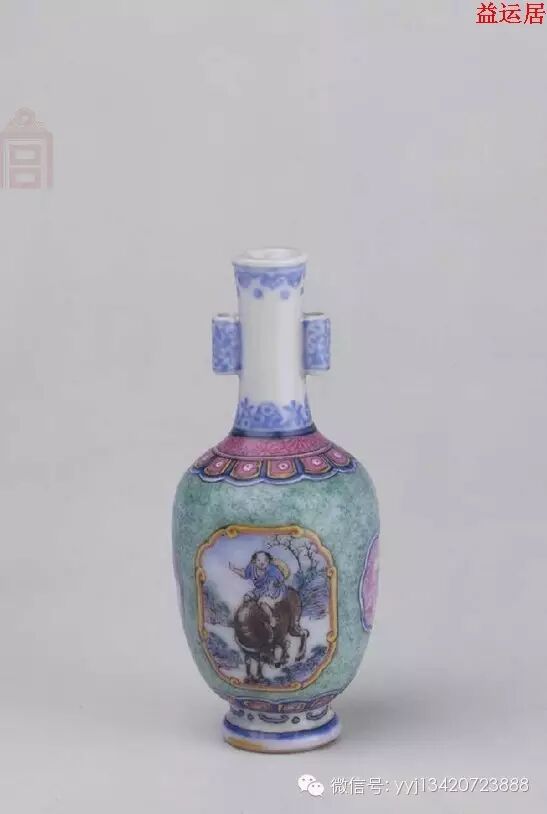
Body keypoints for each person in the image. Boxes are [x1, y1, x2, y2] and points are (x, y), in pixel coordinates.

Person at [229, 551, 288, 629]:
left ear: (268, 561)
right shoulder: (252, 568)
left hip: (274, 590)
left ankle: (271, 618)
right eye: (259, 560)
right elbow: (245, 574)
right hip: (260, 590)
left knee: (263, 602)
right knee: (246, 597)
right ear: (254, 561)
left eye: (265, 560)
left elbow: (278, 581)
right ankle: (239, 619)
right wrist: (234, 569)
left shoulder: (272, 570)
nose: (262, 563)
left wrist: (272, 587)